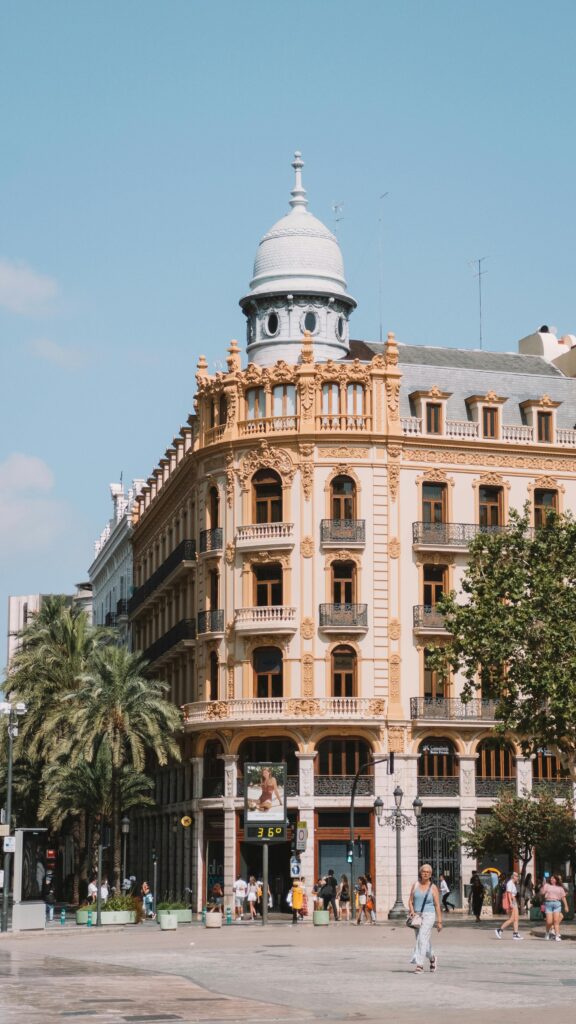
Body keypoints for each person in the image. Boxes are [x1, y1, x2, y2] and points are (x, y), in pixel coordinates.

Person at [408, 863, 442, 973]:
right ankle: (432, 958)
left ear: (431, 874)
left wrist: (439, 921)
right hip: (417, 916)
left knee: (422, 937)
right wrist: (412, 911)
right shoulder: (415, 885)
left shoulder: (433, 887)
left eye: (428, 872)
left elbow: (437, 905)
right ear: (420, 873)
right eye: (424, 871)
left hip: (429, 915)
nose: (425, 873)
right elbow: (410, 900)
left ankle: (419, 965)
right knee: (423, 940)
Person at [540, 873, 569, 941]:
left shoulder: (560, 888)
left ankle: (557, 935)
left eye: (553, 878)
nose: (552, 879)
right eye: (551, 878)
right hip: (548, 904)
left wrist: (566, 906)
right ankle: (547, 933)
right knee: (549, 922)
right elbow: (542, 893)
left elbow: (563, 897)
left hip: (557, 904)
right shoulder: (547, 885)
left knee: (556, 921)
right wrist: (543, 886)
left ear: (556, 880)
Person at [495, 871, 523, 940]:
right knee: (512, 919)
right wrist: (511, 903)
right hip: (512, 901)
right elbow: (509, 893)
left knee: (516, 919)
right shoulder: (510, 883)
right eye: (516, 876)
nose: (517, 877)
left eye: (518, 876)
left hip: (514, 901)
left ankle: (515, 934)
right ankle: (499, 930)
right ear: (513, 876)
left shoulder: (513, 883)